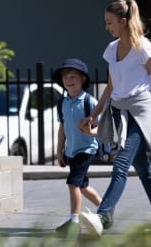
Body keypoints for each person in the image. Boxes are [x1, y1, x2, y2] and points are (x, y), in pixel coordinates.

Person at [78, 0, 151, 236]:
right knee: (143, 169)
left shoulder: (144, 49)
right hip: (118, 111)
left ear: (123, 22)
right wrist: (93, 115)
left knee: (121, 162)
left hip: (139, 110)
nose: (107, 27)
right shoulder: (111, 49)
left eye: (110, 23)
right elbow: (110, 86)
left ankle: (104, 216)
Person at [52, 58, 102, 236]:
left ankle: (74, 221)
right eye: (65, 77)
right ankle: (105, 210)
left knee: (73, 183)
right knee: (82, 185)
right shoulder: (62, 104)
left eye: (73, 76)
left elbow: (101, 128)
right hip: (71, 150)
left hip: (86, 149)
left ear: (83, 80)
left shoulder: (90, 102)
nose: (69, 80)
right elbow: (62, 129)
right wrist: (59, 151)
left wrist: (91, 132)